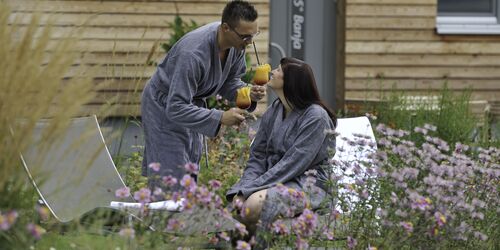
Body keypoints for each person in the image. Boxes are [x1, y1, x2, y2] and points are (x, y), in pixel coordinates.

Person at [141, 0, 266, 190]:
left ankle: (184, 216)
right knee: (170, 176)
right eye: (245, 37)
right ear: (226, 28)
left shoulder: (237, 45)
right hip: (164, 106)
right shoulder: (192, 54)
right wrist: (221, 117)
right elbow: (176, 106)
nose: (250, 42)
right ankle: (163, 217)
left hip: (191, 103)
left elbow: (230, 82)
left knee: (189, 169)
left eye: (254, 34)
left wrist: (249, 93)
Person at [226, 57, 337, 246]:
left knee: (252, 205)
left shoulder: (316, 117)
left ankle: (257, 245)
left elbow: (293, 163)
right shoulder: (275, 109)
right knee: (239, 204)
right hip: (276, 179)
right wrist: (245, 184)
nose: (272, 72)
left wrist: (250, 190)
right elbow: (258, 154)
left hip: (307, 184)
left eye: (278, 70)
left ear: (290, 82)